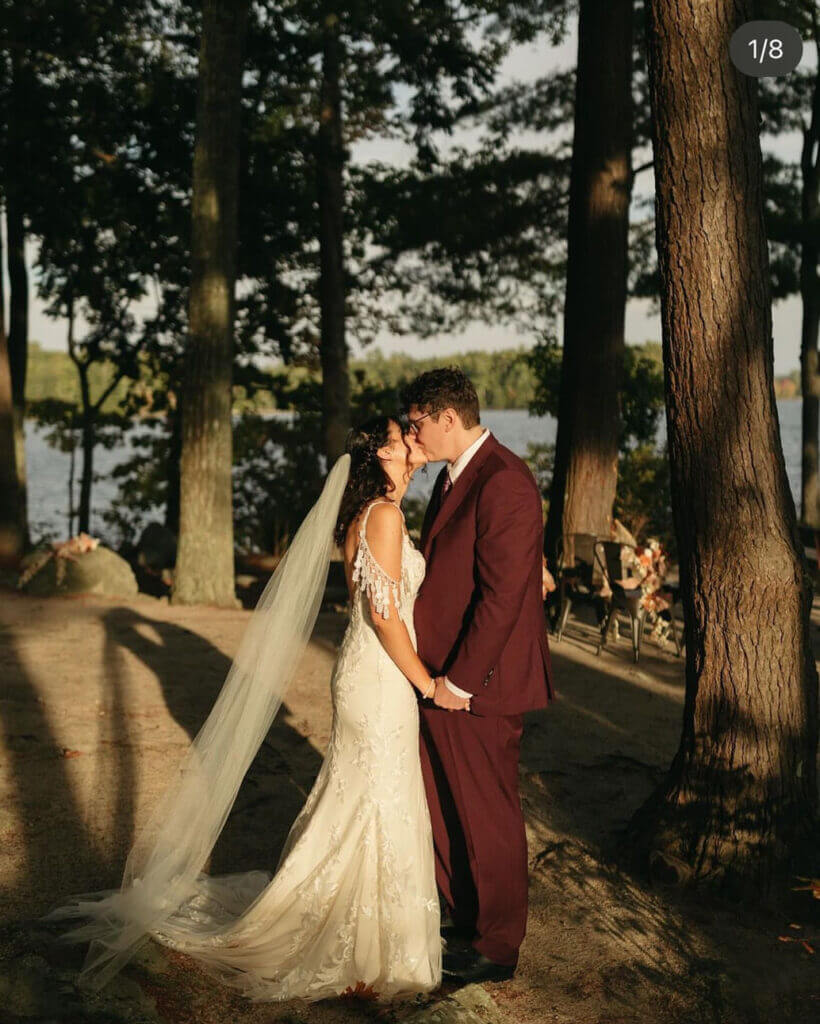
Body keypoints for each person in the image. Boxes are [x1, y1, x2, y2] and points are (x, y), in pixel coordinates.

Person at [46, 415, 468, 1003]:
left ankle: (375, 935)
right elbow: (385, 614)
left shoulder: (366, 515)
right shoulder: (387, 516)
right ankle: (370, 943)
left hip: (366, 673)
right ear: (380, 455)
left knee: (368, 793)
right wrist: (427, 683)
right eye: (404, 437)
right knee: (379, 793)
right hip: (381, 677)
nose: (413, 442)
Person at [401, 368, 555, 985]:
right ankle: (465, 920)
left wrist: (459, 683)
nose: (413, 434)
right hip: (437, 677)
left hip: (478, 684)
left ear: (446, 417)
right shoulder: (453, 477)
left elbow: (502, 597)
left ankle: (497, 945)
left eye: (417, 422)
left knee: (486, 811)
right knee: (444, 803)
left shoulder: (505, 482)